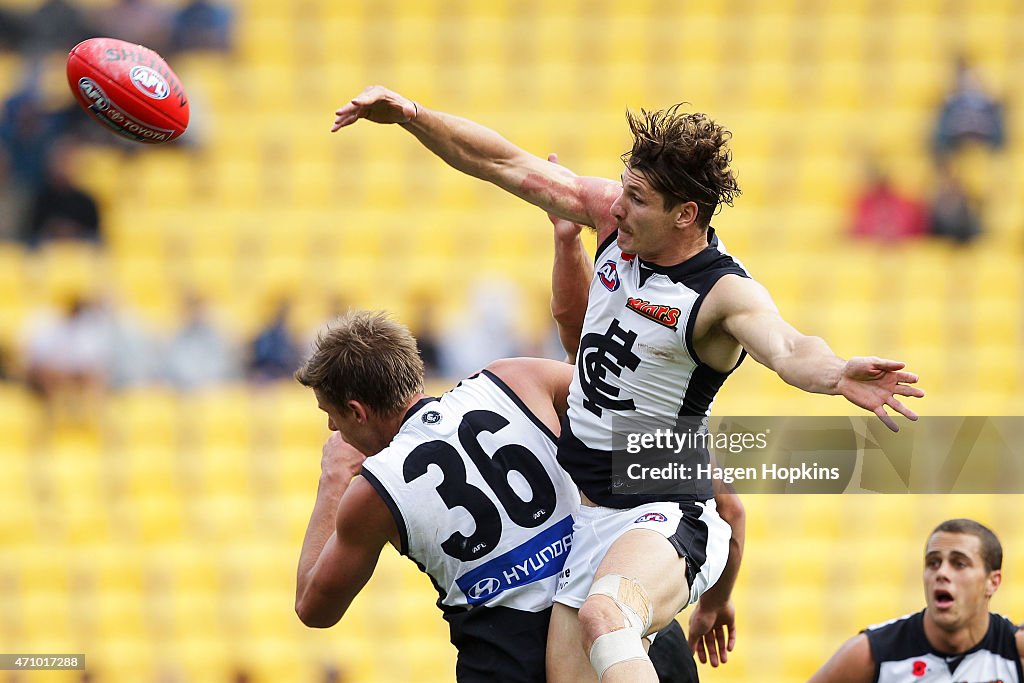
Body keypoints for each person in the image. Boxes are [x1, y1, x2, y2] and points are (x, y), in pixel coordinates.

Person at [331, 86, 925, 682]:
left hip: (666, 505)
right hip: (593, 521)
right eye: (624, 189)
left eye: (637, 199)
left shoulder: (722, 294)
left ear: (685, 214)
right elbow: (504, 163)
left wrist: (836, 373)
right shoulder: (615, 224)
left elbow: (789, 346)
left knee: (605, 617)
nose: (617, 208)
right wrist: (411, 116)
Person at [293, 310, 743, 682]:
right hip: (624, 628)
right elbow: (647, 424)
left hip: (510, 659)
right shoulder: (517, 377)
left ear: (356, 410)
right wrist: (722, 504)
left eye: (331, 415)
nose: (334, 429)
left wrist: (333, 478)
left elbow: (313, 608)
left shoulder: (374, 490)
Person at [808, 519, 1023, 683]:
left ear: (992, 582)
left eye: (959, 564)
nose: (941, 573)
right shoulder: (872, 653)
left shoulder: (1016, 653)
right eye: (933, 563)